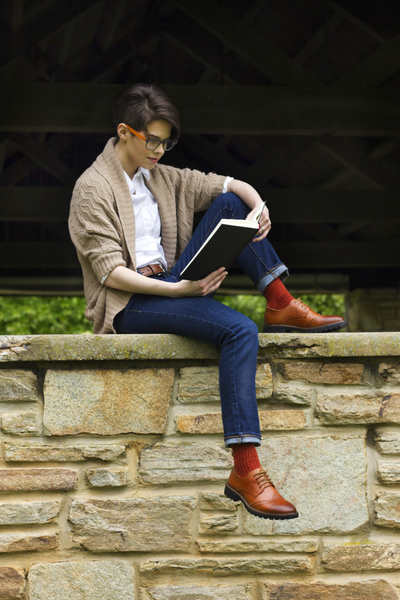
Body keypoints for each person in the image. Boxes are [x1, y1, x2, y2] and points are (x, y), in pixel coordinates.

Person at [69, 84, 346, 521]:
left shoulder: (159, 175)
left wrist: (259, 206)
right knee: (240, 330)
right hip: (130, 305)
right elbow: (109, 272)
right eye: (153, 140)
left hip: (173, 280)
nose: (160, 150)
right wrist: (180, 291)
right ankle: (246, 471)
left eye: (167, 142)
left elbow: (225, 185)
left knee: (232, 204)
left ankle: (280, 299)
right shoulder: (92, 188)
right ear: (125, 132)